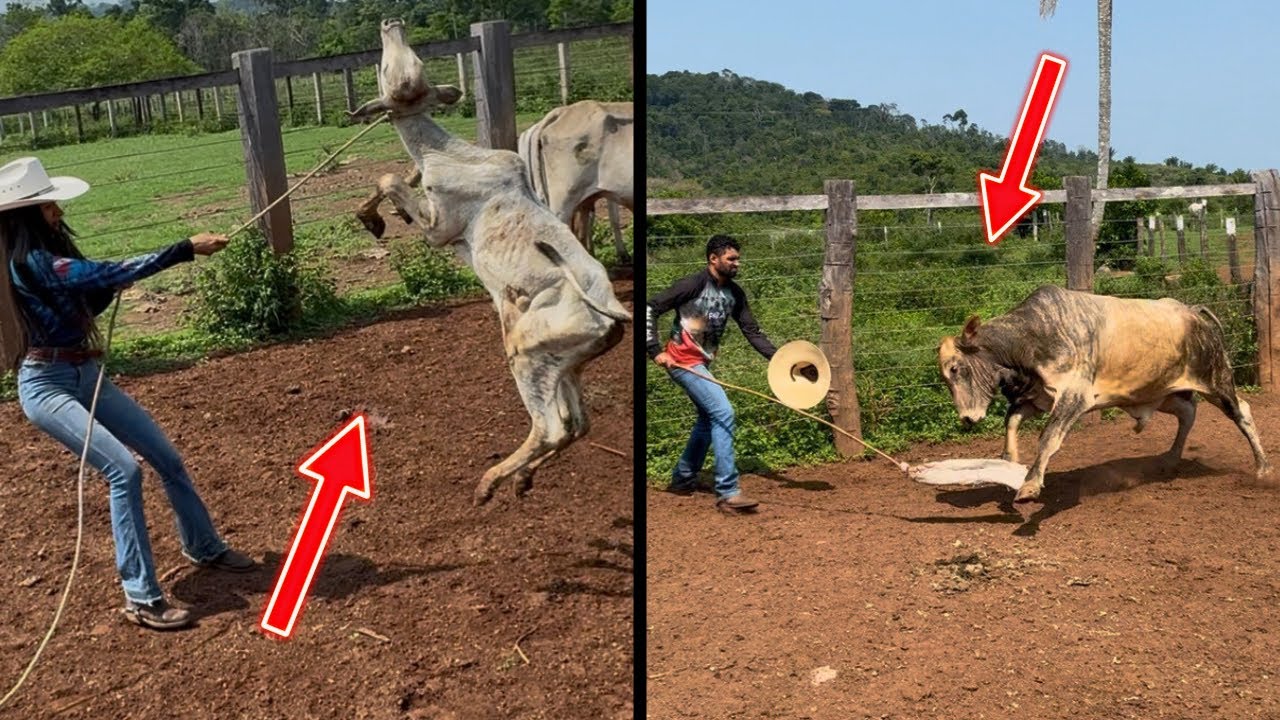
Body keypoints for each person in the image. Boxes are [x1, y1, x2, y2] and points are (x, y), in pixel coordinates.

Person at [0, 157, 255, 631]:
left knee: (166, 457)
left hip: (84, 373)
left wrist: (115, 281)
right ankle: (140, 597)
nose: (57, 211)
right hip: (45, 383)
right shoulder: (30, 263)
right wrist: (183, 248)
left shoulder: (42, 259)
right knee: (124, 469)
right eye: (48, 204)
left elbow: (92, 291)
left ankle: (203, 546)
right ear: (26, 214)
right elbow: (97, 276)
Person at [647, 234, 778, 513]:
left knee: (709, 419)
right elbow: (650, 307)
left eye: (738, 259)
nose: (737, 264)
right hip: (682, 362)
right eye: (731, 259)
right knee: (724, 412)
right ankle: (728, 492)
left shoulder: (735, 294)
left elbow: (752, 332)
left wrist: (780, 360)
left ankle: (683, 479)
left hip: (702, 365)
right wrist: (655, 349)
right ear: (713, 259)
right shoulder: (692, 285)